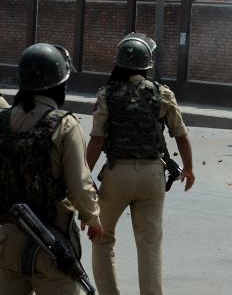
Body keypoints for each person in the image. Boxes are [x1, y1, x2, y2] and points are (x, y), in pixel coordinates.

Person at [86, 33, 195, 295]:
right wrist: (189, 169)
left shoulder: (106, 94)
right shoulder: (162, 93)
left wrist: (83, 176)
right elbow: (181, 136)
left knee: (103, 238)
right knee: (149, 245)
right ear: (147, 65)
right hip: (152, 176)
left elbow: (97, 141)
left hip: (116, 175)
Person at [0, 43, 103, 294]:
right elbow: (80, 184)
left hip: (7, 242)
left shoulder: (3, 121)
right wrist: (92, 218)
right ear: (60, 84)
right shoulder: (65, 125)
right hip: (52, 243)